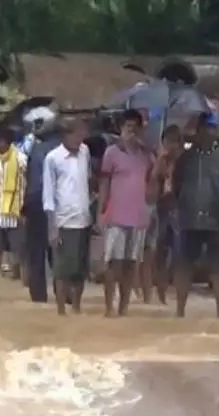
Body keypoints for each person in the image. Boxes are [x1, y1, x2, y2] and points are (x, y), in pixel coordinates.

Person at [172, 112, 219, 318]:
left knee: (218, 268)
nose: (209, 132)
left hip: (216, 218)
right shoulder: (185, 158)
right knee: (184, 265)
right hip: (189, 217)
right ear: (198, 130)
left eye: (213, 128)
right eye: (206, 128)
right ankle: (179, 311)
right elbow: (177, 185)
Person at [98, 109, 155, 317]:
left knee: (132, 264)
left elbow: (154, 181)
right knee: (113, 263)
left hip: (138, 217)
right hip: (116, 215)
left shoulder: (146, 155)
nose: (131, 131)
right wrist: (101, 211)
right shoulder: (111, 152)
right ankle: (108, 307)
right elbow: (104, 182)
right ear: (121, 129)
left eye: (135, 127)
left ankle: (123, 307)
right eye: (127, 127)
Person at [42, 117, 92, 316]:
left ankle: (77, 308)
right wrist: (52, 227)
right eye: (77, 134)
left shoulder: (85, 152)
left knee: (79, 270)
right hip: (63, 220)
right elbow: (48, 195)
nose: (80, 138)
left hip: (83, 218)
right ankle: (61, 310)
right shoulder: (53, 158)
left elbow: (86, 180)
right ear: (65, 135)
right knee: (62, 270)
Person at [23, 119, 62, 302]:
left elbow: (28, 179)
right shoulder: (64, 151)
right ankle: (64, 294)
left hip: (35, 203)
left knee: (36, 252)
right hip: (59, 205)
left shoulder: (36, 151)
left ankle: (38, 296)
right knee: (59, 250)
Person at [0, 127, 28, 277]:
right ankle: (2, 270)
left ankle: (20, 274)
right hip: (0, 207)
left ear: (3, 142)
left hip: (16, 207)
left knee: (18, 245)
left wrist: (25, 208)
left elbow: (28, 182)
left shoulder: (20, 158)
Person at [151, 125, 184, 304]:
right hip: (162, 209)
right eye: (168, 141)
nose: (171, 145)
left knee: (180, 255)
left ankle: (178, 294)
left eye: (175, 141)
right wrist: (160, 161)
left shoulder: (184, 162)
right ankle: (161, 293)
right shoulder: (160, 160)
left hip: (178, 209)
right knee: (160, 254)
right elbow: (153, 181)